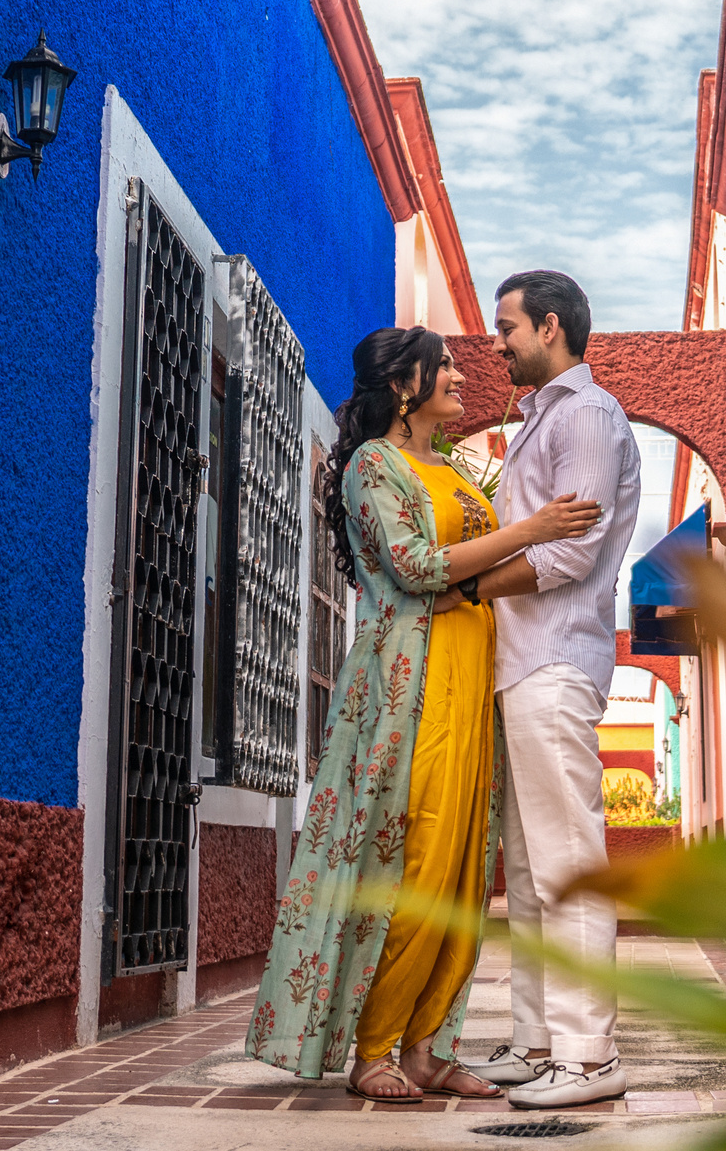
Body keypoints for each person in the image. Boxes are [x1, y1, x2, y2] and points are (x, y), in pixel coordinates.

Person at [245, 325, 603, 1103]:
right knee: (418, 863)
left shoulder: (457, 468)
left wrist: (506, 558)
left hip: (474, 680)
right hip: (414, 687)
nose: (462, 375)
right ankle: (374, 1046)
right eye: (443, 367)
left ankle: (428, 1044)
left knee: (468, 872)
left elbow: (465, 576)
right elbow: (414, 566)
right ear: (405, 385)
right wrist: (529, 532)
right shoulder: (376, 465)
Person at [460, 270, 643, 1109]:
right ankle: (539, 1044)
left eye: (507, 328)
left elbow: (572, 550)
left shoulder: (588, 416)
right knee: (531, 871)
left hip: (557, 660)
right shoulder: (541, 421)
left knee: (568, 863)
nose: (496, 342)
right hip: (522, 665)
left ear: (553, 327)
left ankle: (590, 1055)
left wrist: (468, 585)